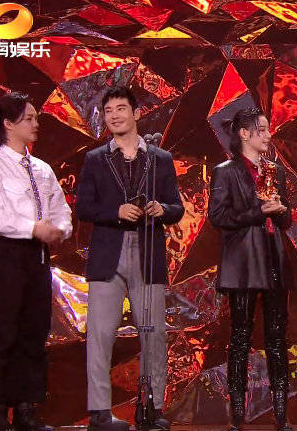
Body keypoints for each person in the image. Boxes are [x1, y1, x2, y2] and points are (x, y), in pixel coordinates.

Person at [76, 86, 184, 431]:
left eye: (121, 109)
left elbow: (177, 206)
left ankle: (151, 407)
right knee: (100, 334)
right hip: (108, 252)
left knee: (154, 333)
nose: (114, 116)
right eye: (108, 111)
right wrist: (116, 211)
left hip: (147, 251)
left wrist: (161, 209)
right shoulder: (95, 159)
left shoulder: (160, 158)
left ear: (136, 114)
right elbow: (84, 207)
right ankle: (99, 412)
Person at [0, 92, 72, 431]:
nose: (35, 123)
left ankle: (27, 408)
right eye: (28, 118)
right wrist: (32, 228)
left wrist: (59, 230)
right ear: (8, 124)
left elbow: (61, 208)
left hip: (37, 256)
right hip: (5, 255)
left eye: (36, 117)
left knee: (33, 330)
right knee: (2, 330)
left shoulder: (42, 169)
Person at [208, 108, 293, 431]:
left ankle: (281, 411)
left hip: (273, 257)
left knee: (277, 335)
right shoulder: (226, 172)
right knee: (241, 335)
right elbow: (218, 217)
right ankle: (237, 412)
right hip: (243, 260)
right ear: (244, 134)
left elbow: (286, 219)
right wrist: (259, 211)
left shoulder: (275, 171)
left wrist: (280, 211)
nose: (269, 135)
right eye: (262, 129)